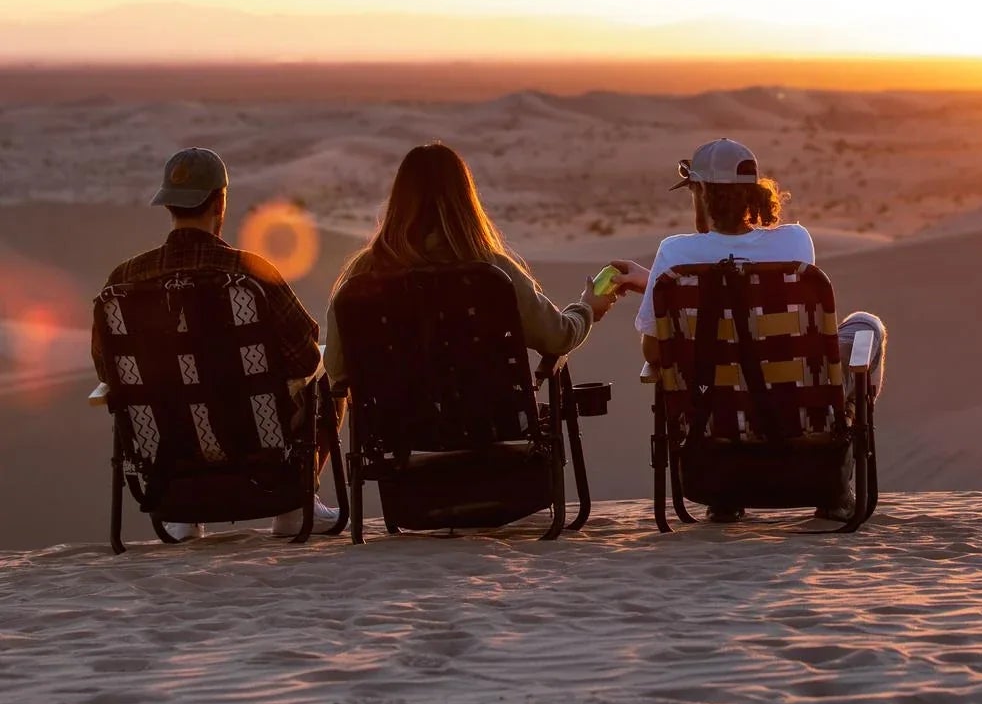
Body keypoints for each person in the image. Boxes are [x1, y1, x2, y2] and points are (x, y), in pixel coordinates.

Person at [615, 138, 887, 524]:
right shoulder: (795, 242)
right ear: (754, 193)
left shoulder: (674, 256)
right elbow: (759, 309)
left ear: (702, 193)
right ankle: (835, 472)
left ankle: (726, 497)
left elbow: (656, 352)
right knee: (867, 327)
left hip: (712, 420)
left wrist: (658, 285)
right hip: (793, 412)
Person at [92, 147, 340, 540]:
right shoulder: (249, 272)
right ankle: (295, 507)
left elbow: (109, 370)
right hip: (256, 438)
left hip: (170, 446)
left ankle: (185, 513)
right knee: (326, 383)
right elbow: (304, 355)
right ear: (220, 202)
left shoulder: (125, 279)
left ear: (168, 204)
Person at [323, 141, 627, 386]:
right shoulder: (492, 272)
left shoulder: (364, 274)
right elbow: (557, 337)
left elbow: (337, 368)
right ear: (465, 200)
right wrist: (587, 308)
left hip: (394, 437)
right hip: (491, 432)